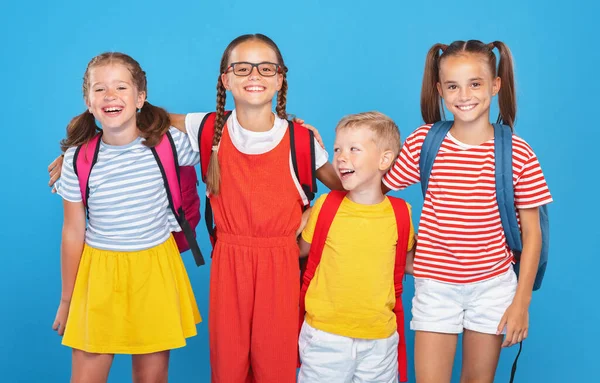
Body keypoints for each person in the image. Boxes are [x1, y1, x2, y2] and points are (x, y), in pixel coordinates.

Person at [383, 40, 553, 383]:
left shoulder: (518, 153)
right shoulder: (424, 142)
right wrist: (318, 160)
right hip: (435, 286)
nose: (464, 95)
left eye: (475, 83)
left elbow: (532, 234)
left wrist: (521, 304)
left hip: (493, 286)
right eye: (453, 86)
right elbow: (372, 192)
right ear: (440, 90)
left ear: (495, 85)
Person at [52, 52, 201, 383]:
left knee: (151, 377)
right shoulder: (77, 160)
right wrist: (67, 300)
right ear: (88, 102)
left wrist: (291, 129)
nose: (110, 97)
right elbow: (73, 232)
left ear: (140, 97)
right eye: (99, 89)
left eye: (121, 87)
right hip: (99, 273)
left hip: (155, 270)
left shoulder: (170, 143)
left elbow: (230, 135)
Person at [298, 111, 416, 383]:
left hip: (380, 340)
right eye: (337, 148)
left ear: (384, 159)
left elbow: (412, 264)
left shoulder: (401, 214)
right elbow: (297, 252)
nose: (340, 157)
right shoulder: (326, 206)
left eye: (354, 149)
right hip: (324, 336)